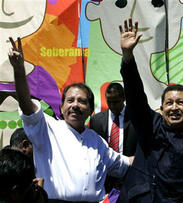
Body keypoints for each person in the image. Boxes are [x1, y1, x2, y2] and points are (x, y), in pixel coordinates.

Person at [8, 37, 132, 202]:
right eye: (70, 100)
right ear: (61, 108)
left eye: (81, 101)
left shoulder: (98, 142)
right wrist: (18, 70)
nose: (75, 105)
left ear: (90, 110)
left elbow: (125, 164)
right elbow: (26, 104)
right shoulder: (46, 129)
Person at [117, 18, 183, 202]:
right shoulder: (150, 127)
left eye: (180, 103)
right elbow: (135, 96)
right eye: (169, 103)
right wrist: (128, 57)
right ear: (161, 108)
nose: (174, 108)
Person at [90, 82, 138, 192]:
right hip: (105, 179)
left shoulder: (135, 118)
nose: (112, 105)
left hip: (130, 176)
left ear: (124, 98)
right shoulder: (96, 121)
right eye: (109, 102)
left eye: (116, 102)